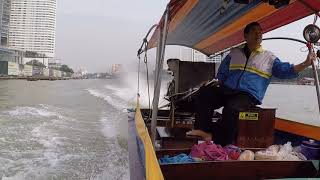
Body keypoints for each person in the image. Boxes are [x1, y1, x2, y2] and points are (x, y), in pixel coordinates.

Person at [187, 22, 317, 146]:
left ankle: (220, 141)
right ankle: (202, 130)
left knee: (232, 108)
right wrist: (216, 82)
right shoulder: (234, 53)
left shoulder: (269, 57)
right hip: (228, 89)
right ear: (245, 36)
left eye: (260, 32)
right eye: (254, 32)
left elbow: (286, 71)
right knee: (205, 92)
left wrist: (305, 63)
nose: (258, 35)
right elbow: (222, 72)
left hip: (249, 94)